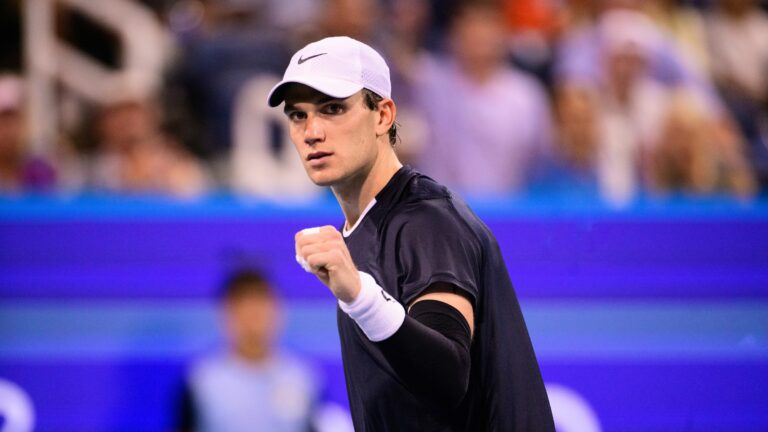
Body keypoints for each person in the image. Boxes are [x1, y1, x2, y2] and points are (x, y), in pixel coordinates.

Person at [267, 36, 554, 431]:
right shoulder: (366, 229)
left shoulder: (427, 220)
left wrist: (360, 295)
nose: (311, 131)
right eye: (298, 115)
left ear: (383, 115)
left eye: (333, 109)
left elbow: (447, 374)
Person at [177, 269, 321, 432]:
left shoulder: (304, 378)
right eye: (243, 305)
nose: (253, 316)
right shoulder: (201, 381)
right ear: (225, 313)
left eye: (261, 303)